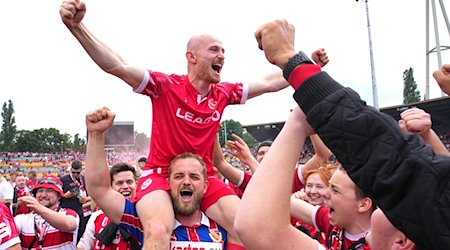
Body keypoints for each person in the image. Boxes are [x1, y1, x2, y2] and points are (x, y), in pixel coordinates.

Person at [60, 1, 329, 249]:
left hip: (204, 178)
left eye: (223, 50)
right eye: (214, 49)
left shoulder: (223, 93)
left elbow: (270, 83)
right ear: (192, 57)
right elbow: (117, 65)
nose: (222, 54)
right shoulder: (165, 86)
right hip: (160, 174)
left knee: (246, 227)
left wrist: (306, 64)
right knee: (157, 229)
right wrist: (78, 27)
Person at [236, 19, 450, 249]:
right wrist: (428, 137)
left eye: (392, 207)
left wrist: (294, 68)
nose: (324, 194)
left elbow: (402, 171)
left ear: (402, 241)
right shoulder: (336, 225)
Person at [83, 107, 227, 249]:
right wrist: (95, 135)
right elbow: (99, 190)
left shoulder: (223, 226)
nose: (186, 182)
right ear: (167, 183)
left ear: (206, 185)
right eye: (178, 176)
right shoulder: (144, 221)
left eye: (194, 177)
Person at [77, 163, 140, 250]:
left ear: (136, 184)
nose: (125, 186)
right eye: (119, 183)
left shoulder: (145, 215)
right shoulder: (97, 216)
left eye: (129, 182)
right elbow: (83, 247)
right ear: (111, 187)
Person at [14, 175, 79, 249]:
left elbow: (69, 225)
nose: (43, 195)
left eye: (49, 191)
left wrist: (39, 208)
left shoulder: (68, 214)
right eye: (40, 191)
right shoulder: (22, 219)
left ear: (59, 196)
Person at [60, 160, 92, 242]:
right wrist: (65, 195)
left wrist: (85, 199)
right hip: (67, 210)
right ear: (71, 170)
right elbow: (57, 195)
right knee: (67, 235)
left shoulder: (84, 180)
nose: (75, 174)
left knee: (80, 234)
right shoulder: (63, 180)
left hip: (81, 211)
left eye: (77, 173)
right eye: (73, 172)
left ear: (81, 170)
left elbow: (92, 195)